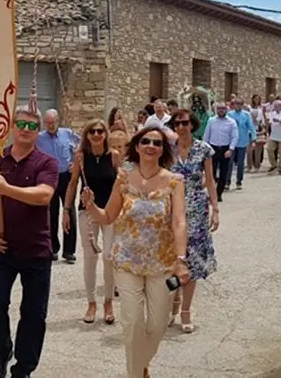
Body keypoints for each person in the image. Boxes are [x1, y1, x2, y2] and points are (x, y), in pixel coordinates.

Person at [82, 127, 189, 378]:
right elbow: (107, 216)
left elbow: (179, 222)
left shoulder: (175, 181)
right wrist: (90, 205)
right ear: (137, 146)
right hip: (126, 262)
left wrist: (181, 260)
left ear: (163, 149)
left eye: (157, 143)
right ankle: (136, 374)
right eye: (146, 141)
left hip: (162, 264)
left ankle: (140, 365)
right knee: (132, 325)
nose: (151, 146)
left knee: (157, 324)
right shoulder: (123, 179)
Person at [0, 106, 59, 378]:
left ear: (38, 131)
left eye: (32, 126)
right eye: (21, 124)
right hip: (0, 249)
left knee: (33, 314)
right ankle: (3, 349)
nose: (26, 130)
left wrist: (7, 189)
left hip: (36, 250)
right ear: (11, 127)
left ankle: (23, 370)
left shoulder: (46, 163)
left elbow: (44, 195)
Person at [63, 119, 122, 325]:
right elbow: (72, 184)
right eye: (92, 132)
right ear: (87, 136)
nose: (96, 135)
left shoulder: (114, 156)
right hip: (87, 212)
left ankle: (108, 301)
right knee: (89, 258)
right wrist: (65, 210)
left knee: (108, 257)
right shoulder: (80, 158)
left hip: (110, 211)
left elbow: (121, 183)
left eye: (100, 131)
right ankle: (91, 302)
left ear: (105, 134)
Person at [168, 109, 219, 333]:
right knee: (172, 257)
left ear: (192, 124)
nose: (181, 127)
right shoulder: (168, 150)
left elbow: (210, 181)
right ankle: (173, 305)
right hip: (172, 209)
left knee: (193, 261)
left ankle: (186, 310)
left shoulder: (204, 149)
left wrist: (215, 209)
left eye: (185, 123)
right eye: (177, 123)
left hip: (197, 209)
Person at [36, 109, 80, 263]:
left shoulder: (68, 133)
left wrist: (75, 163)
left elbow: (80, 148)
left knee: (70, 211)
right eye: (47, 123)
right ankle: (53, 248)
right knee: (51, 213)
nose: (50, 125)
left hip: (67, 177)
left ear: (58, 121)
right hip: (49, 178)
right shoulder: (39, 138)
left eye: (53, 122)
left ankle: (69, 251)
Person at [202, 102, 238, 200]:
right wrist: (205, 149)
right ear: (216, 110)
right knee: (211, 173)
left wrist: (231, 149)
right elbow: (206, 135)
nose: (221, 110)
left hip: (225, 149)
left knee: (224, 172)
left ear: (226, 109)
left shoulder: (231, 122)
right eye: (219, 108)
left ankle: (219, 193)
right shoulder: (211, 120)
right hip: (213, 149)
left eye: (223, 108)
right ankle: (211, 193)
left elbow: (234, 137)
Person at [226, 98, 255, 190]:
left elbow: (251, 127)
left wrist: (253, 140)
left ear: (242, 105)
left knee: (240, 163)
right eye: (236, 103)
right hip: (231, 143)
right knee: (229, 163)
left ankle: (239, 181)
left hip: (242, 142)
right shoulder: (230, 114)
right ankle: (227, 181)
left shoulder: (246, 115)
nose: (237, 105)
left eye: (239, 104)